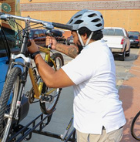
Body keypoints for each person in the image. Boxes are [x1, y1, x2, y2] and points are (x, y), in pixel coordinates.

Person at [28, 9, 126, 142]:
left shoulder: (91, 57)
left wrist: (36, 54)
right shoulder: (99, 48)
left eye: (74, 36)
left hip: (98, 131)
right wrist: (56, 46)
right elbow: (77, 53)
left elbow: (51, 80)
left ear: (84, 35)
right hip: (103, 126)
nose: (73, 40)